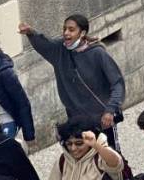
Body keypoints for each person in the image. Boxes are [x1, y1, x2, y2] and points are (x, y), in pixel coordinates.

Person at [18, 15, 125, 146]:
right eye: (64, 29)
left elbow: (117, 82)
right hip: (77, 120)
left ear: (83, 33)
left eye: (71, 29)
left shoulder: (97, 53)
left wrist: (110, 109)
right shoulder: (60, 51)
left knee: (110, 156)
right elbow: (45, 45)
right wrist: (31, 32)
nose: (66, 33)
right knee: (83, 157)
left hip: (102, 118)